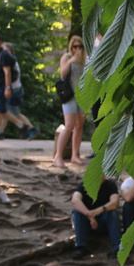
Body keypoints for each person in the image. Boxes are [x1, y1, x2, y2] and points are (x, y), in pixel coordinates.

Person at [70, 174, 123, 258]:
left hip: (103, 222)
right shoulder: (83, 185)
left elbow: (115, 202)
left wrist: (96, 212)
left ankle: (117, 249)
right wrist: (89, 215)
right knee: (77, 212)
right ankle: (80, 247)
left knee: (112, 213)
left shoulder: (110, 185)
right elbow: (75, 201)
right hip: (87, 223)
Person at [55, 35, 88, 168]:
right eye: (75, 46)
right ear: (71, 47)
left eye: (80, 46)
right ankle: (58, 156)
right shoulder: (67, 57)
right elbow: (62, 74)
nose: (78, 49)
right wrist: (71, 61)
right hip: (69, 95)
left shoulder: (85, 59)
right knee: (69, 125)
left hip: (82, 96)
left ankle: (75, 155)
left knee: (79, 125)